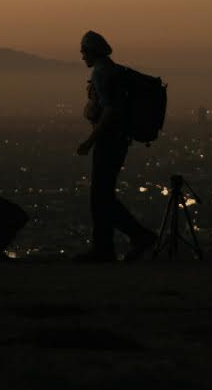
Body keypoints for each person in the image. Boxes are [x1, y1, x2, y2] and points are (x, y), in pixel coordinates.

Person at [74, 30, 157, 262]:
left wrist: (90, 142)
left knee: (100, 197)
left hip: (108, 141)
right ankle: (106, 247)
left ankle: (133, 238)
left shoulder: (102, 73)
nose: (82, 56)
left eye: (83, 51)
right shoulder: (113, 71)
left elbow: (110, 110)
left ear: (92, 51)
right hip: (117, 141)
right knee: (103, 196)